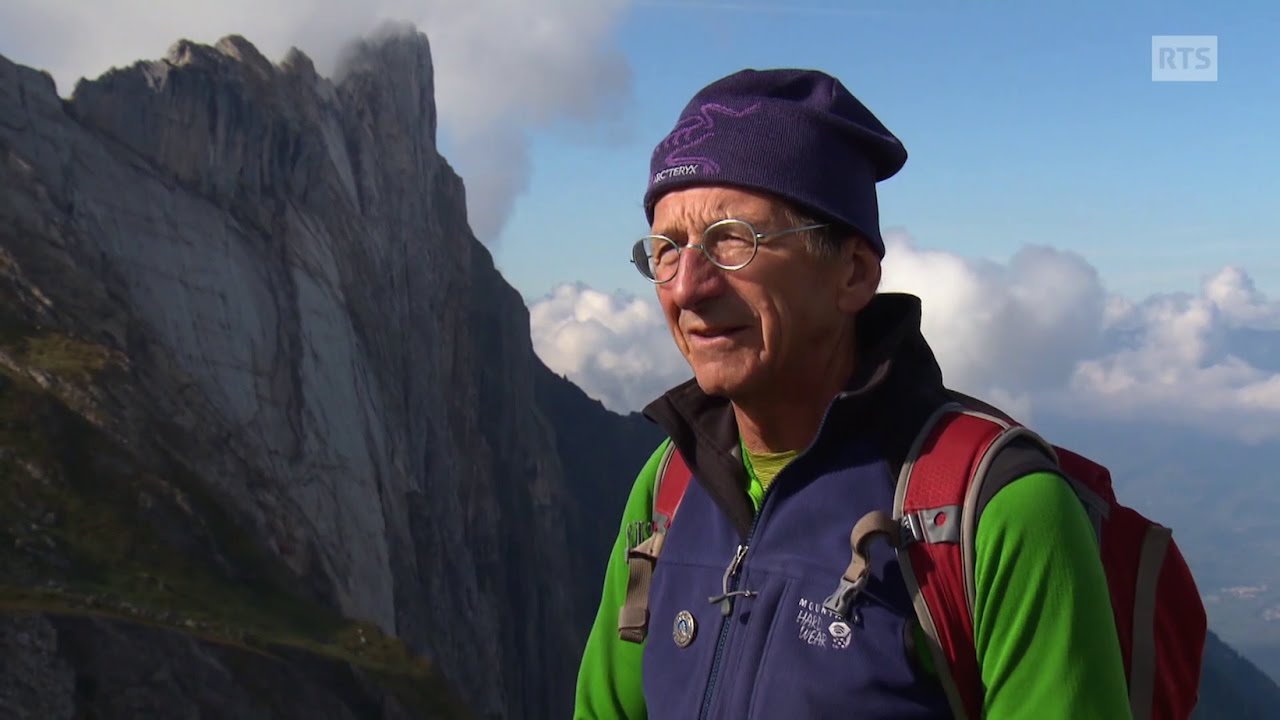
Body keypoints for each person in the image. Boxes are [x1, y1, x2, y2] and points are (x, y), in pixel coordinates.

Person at [572, 68, 1132, 719]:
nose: (686, 287)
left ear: (854, 273)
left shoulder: (997, 510)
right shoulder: (669, 488)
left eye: (732, 240)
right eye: (666, 249)